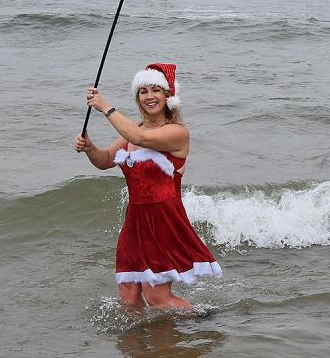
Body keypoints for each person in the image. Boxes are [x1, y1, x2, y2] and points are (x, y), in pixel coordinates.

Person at [75, 63, 221, 310]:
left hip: (163, 220)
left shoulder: (177, 132)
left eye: (156, 90)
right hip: (135, 221)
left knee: (157, 298)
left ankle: (202, 320)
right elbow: (105, 160)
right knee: (129, 297)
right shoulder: (135, 130)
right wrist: (90, 148)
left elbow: (139, 139)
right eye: (143, 91)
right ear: (138, 98)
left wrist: (105, 107)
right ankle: (143, 336)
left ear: (168, 97)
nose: (149, 96)